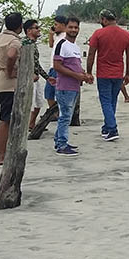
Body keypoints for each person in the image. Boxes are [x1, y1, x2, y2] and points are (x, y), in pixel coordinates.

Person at [86, 9, 129, 141]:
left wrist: (89, 71)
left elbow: (91, 54)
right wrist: (128, 73)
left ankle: (112, 129)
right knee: (112, 101)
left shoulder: (98, 33)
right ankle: (107, 127)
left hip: (104, 73)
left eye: (101, 20)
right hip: (118, 73)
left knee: (105, 101)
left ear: (104, 19)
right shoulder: (126, 35)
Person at [0, 13, 23, 165]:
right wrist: (10, 71)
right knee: (6, 120)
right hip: (8, 85)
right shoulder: (15, 41)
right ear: (20, 26)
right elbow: (11, 55)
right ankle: (2, 156)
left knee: (5, 117)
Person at [52, 17, 87, 156]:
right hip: (64, 87)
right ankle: (61, 145)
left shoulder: (76, 47)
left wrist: (84, 75)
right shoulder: (62, 44)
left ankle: (59, 140)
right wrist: (76, 76)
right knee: (65, 116)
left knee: (67, 115)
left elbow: (76, 66)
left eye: (76, 27)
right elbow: (57, 66)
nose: (73, 30)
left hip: (74, 87)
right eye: (71, 27)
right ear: (65, 28)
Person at [22, 19, 57, 131]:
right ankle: (25, 126)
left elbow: (36, 63)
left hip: (36, 78)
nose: (39, 30)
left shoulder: (33, 44)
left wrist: (47, 77)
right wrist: (29, 74)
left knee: (38, 103)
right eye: (36, 28)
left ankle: (31, 124)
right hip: (28, 80)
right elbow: (21, 62)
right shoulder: (25, 43)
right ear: (29, 30)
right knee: (29, 105)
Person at [45, 15, 68, 108]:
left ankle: (57, 113)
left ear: (63, 25)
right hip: (52, 66)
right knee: (49, 92)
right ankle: (54, 112)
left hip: (58, 67)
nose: (54, 26)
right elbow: (51, 45)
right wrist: (50, 34)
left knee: (54, 92)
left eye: (56, 24)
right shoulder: (57, 36)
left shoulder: (66, 36)